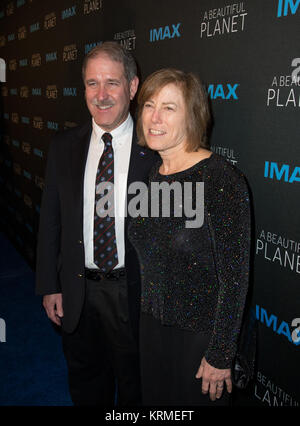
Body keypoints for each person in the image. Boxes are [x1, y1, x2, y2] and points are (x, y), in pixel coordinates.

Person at [35, 42, 157, 406]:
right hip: (78, 292)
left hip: (133, 298)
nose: (101, 96)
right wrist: (49, 285)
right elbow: (51, 222)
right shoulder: (63, 146)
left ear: (133, 87)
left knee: (138, 392)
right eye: (92, 84)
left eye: (112, 83)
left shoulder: (155, 150)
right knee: (87, 386)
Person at [128, 68, 251, 406]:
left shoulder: (220, 180)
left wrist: (220, 353)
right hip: (153, 328)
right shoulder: (154, 173)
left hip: (200, 339)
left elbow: (235, 279)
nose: (153, 117)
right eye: (149, 105)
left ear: (192, 116)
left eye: (169, 107)